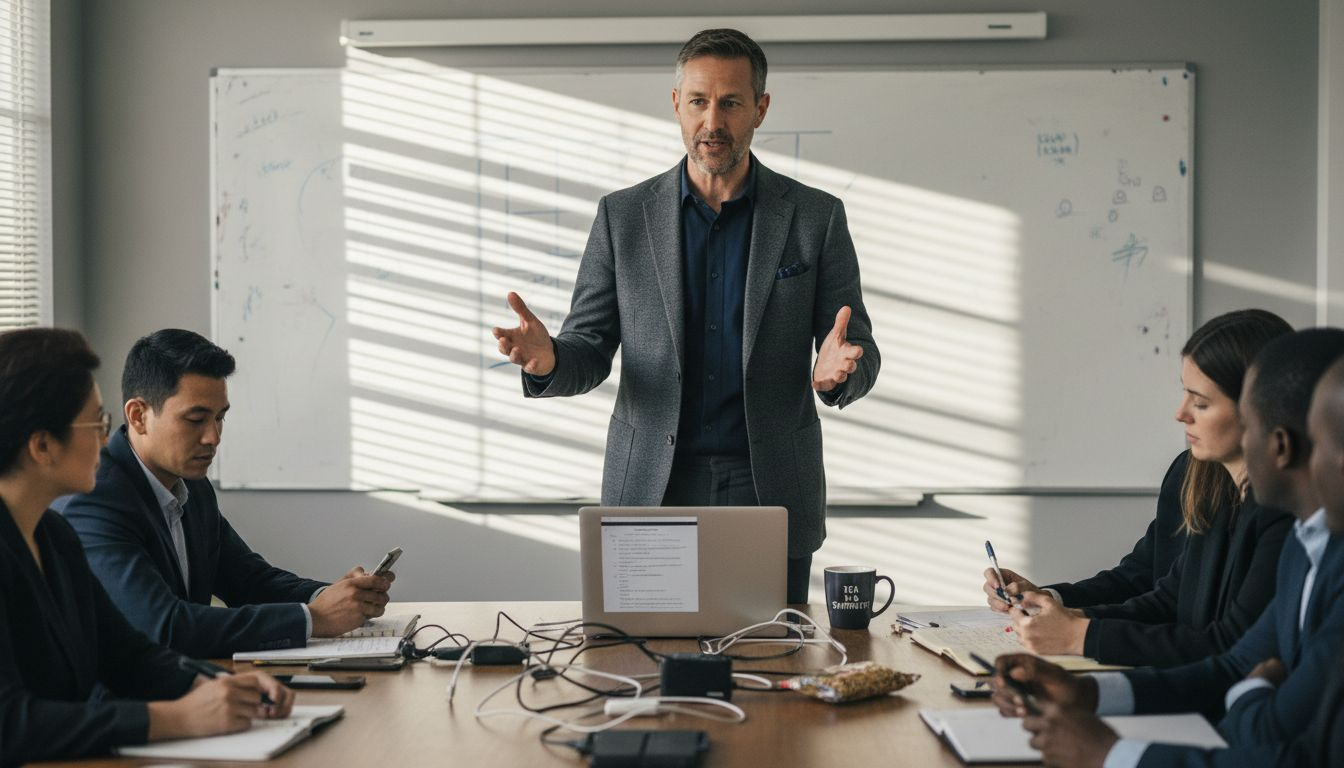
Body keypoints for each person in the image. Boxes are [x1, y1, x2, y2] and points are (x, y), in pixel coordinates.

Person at [491, 28, 880, 603]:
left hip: (768, 482)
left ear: (760, 109)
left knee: (771, 663)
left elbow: (859, 347)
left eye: (731, 102)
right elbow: (589, 349)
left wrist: (839, 375)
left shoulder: (814, 218)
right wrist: (550, 360)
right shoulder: (622, 217)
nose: (712, 121)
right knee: (644, 669)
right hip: (653, 480)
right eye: (698, 101)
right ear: (677, 104)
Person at [988, 328, 1344, 768]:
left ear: (1280, 446)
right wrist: (1086, 691)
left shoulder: (1302, 541)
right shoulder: (1303, 546)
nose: (1181, 416)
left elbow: (1286, 745)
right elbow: (1237, 666)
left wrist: (1112, 753)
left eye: (1248, 426)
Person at [0, 328, 294, 765]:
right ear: (42, 444)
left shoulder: (54, 537)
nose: (107, 438)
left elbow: (127, 654)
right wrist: (177, 719)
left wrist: (212, 685)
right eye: (96, 423)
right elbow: (10, 725)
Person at [986, 310, 1294, 667]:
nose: (1181, 414)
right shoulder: (1202, 477)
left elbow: (1231, 646)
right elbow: (1162, 592)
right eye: (1185, 393)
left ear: (1257, 410)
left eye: (1201, 403)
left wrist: (1077, 634)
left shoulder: (1284, 512)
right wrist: (1051, 605)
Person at [63, 329, 395, 658]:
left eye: (220, 417)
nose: (213, 437)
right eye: (196, 419)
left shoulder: (192, 484)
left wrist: (333, 596)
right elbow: (163, 626)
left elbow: (251, 581)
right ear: (138, 416)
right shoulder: (95, 498)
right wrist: (316, 618)